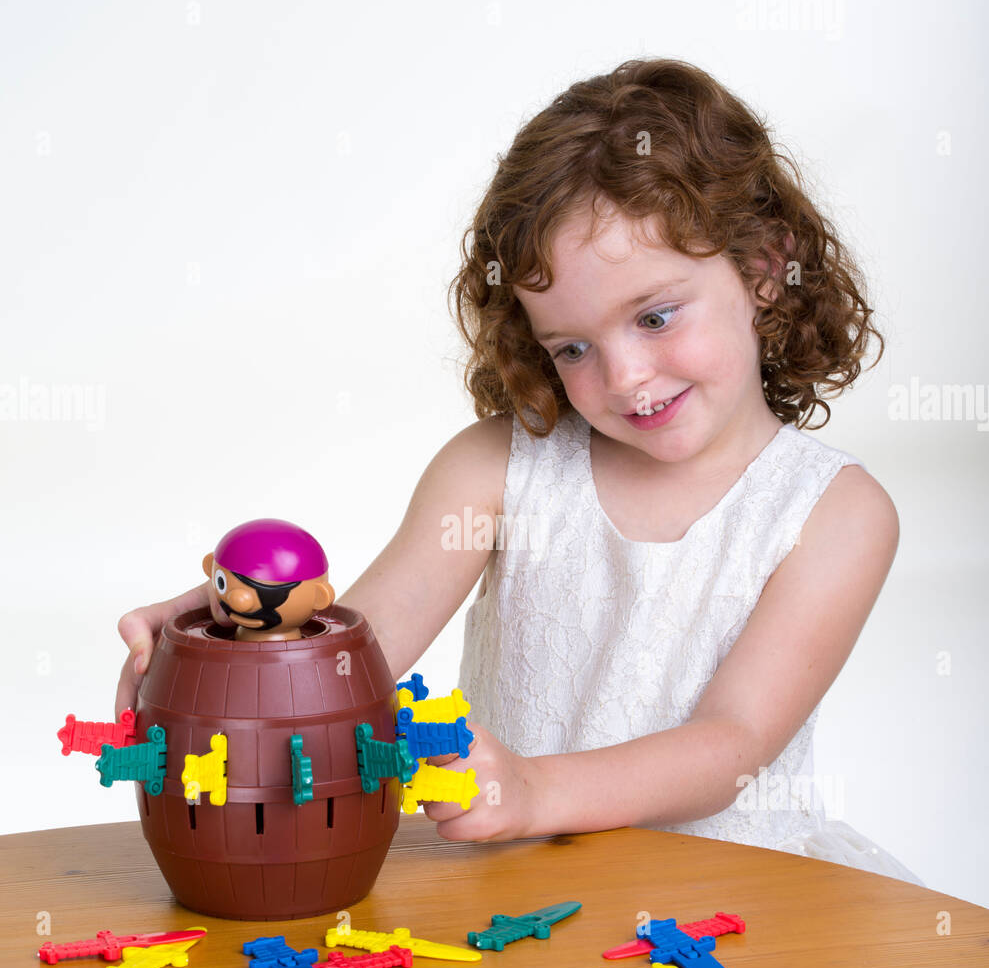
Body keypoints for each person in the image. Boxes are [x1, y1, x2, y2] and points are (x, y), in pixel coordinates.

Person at [115, 57, 920, 883]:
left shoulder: (833, 513)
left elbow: (734, 745)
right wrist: (233, 637)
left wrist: (532, 789)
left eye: (653, 315)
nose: (623, 377)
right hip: (515, 900)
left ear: (761, 268)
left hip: (732, 901)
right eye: (571, 347)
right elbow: (349, 663)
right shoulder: (498, 468)